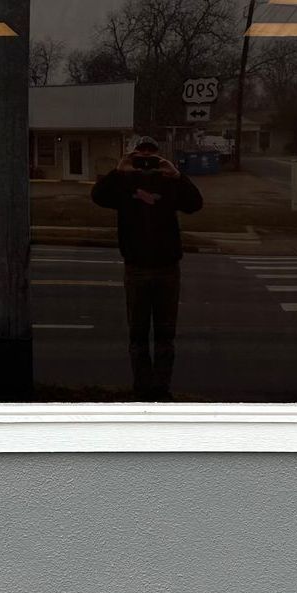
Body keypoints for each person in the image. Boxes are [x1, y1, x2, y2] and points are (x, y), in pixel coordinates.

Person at [91, 136, 203, 397]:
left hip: (167, 270)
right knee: (138, 337)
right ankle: (142, 389)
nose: (145, 161)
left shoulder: (169, 181)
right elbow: (97, 196)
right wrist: (118, 171)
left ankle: (161, 391)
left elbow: (195, 204)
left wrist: (177, 175)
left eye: (151, 156)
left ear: (159, 157)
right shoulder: (123, 183)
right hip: (136, 269)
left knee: (165, 337)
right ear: (132, 156)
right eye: (140, 155)